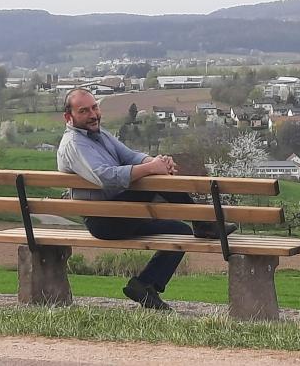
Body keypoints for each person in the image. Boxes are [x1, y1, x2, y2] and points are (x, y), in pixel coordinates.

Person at [57, 88, 235, 310]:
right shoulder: (75, 143)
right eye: (84, 110)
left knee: (181, 232)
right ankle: (202, 223)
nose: (93, 114)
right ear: (69, 117)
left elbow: (130, 156)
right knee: (154, 176)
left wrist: (155, 161)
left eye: (94, 107)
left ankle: (143, 285)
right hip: (105, 219)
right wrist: (152, 168)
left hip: (122, 213)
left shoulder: (100, 135)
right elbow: (106, 177)